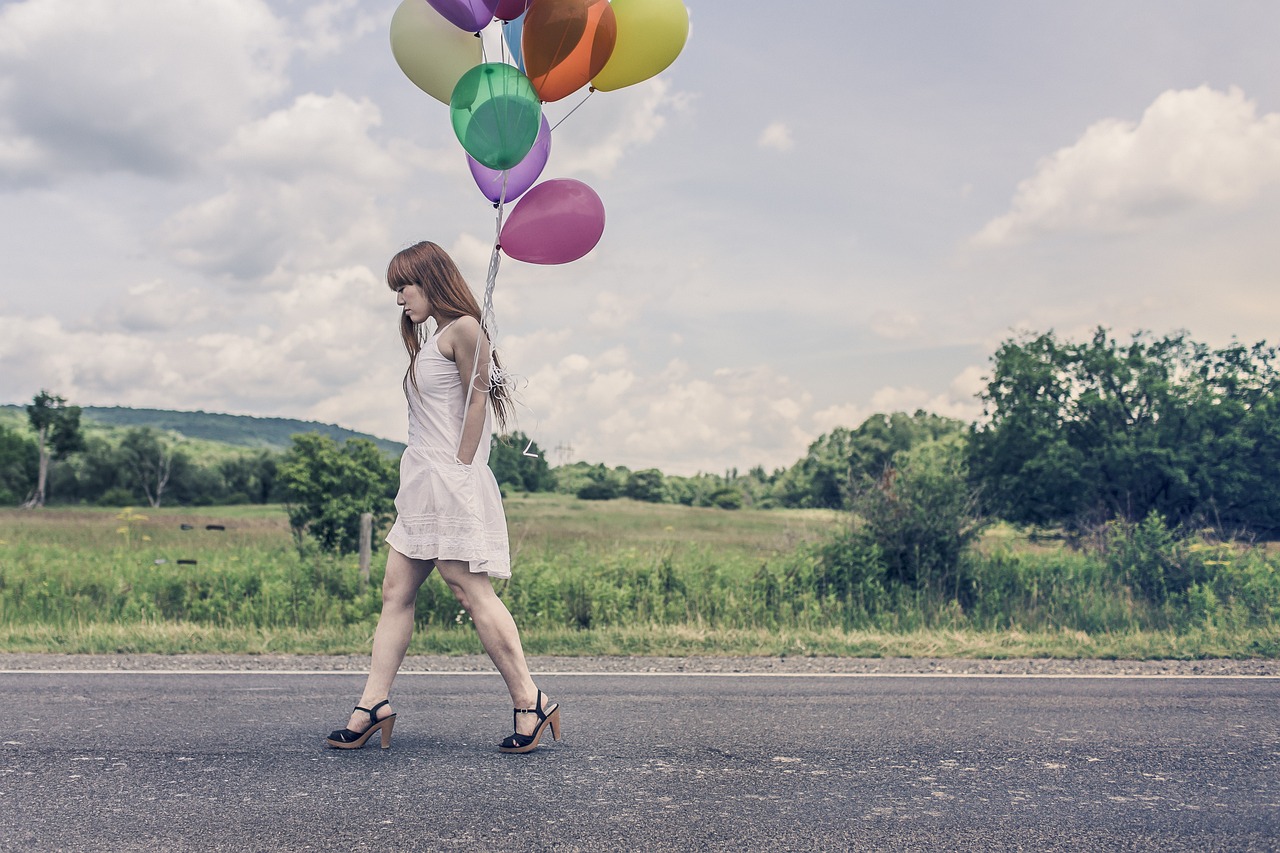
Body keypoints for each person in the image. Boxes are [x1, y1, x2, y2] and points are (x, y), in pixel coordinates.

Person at [326, 240, 560, 754]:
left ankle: (530, 699)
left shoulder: (465, 330)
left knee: (468, 589)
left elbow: (477, 403)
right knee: (394, 591)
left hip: (452, 480)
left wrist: (460, 471)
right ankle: (373, 705)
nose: (399, 299)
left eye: (403, 286)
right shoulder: (433, 339)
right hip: (421, 485)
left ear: (430, 279)